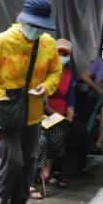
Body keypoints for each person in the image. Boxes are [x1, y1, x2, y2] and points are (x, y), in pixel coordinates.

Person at [0, 0, 62, 204]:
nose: (36, 30)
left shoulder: (48, 44)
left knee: (29, 160)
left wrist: (45, 87)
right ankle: (2, 202)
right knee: (13, 159)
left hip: (33, 111)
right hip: (6, 110)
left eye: (40, 26)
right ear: (22, 20)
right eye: (32, 24)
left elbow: (56, 72)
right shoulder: (1, 41)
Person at [35, 39, 89, 189]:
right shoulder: (44, 73)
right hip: (47, 113)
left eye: (65, 53)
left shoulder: (68, 74)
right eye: (59, 53)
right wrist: (57, 116)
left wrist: (70, 113)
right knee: (63, 133)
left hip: (64, 113)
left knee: (82, 132)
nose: (62, 56)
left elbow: (70, 96)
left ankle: (82, 168)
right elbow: (42, 101)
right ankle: (55, 171)